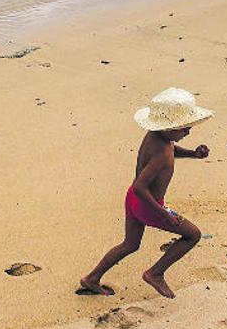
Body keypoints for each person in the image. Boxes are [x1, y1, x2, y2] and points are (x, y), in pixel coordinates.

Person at [80, 87, 213, 299]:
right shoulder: (161, 153)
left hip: (133, 200)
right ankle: (155, 273)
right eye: (185, 127)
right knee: (192, 235)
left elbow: (171, 149)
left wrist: (193, 154)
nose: (188, 132)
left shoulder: (157, 137)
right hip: (147, 203)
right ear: (169, 128)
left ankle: (92, 278)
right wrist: (163, 213)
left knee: (130, 244)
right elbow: (140, 187)